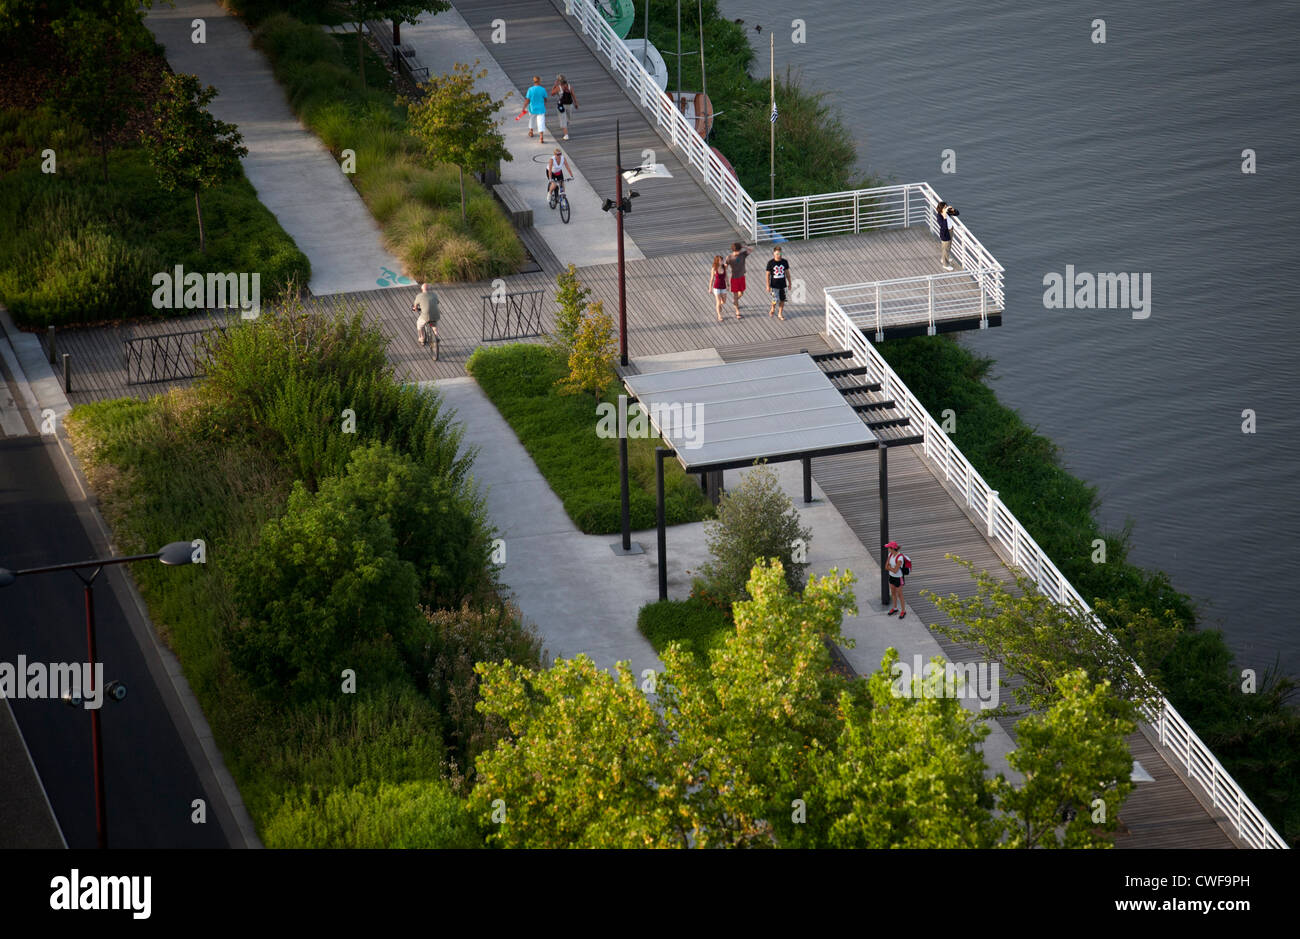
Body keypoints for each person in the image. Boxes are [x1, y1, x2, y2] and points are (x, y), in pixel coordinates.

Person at [726, 242, 753, 318]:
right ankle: (737, 311)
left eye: (739, 250)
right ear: (733, 250)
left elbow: (751, 249)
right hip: (734, 278)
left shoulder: (742, 254)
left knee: (741, 293)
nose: (738, 252)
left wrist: (743, 246)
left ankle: (735, 302)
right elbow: (725, 266)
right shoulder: (729, 258)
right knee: (735, 295)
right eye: (737, 251)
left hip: (741, 277)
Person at [550, 74, 579, 141]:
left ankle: (565, 133)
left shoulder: (558, 87)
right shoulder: (569, 86)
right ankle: (565, 132)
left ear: (558, 81)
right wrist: (576, 103)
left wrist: (554, 85)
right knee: (567, 119)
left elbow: (552, 93)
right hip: (569, 104)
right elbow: (573, 95)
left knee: (563, 119)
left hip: (561, 105)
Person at [765, 246, 789, 320]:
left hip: (783, 284)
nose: (779, 255)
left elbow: (787, 273)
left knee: (782, 299)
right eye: (777, 254)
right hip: (774, 285)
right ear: (774, 254)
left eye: (780, 253)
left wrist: (790, 283)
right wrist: (768, 285)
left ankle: (780, 313)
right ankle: (773, 308)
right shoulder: (770, 263)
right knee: (775, 299)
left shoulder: (784, 262)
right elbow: (767, 275)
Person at [884, 540, 907, 618]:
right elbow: (886, 567)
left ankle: (903, 611)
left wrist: (890, 567)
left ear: (892, 548)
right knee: (893, 593)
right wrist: (891, 568)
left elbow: (895, 570)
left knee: (900, 595)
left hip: (898, 578)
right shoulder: (890, 555)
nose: (888, 549)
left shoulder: (900, 558)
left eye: (888, 548)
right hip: (892, 577)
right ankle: (895, 608)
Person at [936, 201, 960, 271]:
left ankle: (944, 258)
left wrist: (953, 210)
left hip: (950, 231)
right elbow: (943, 226)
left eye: (946, 207)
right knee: (945, 248)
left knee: (948, 247)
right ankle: (945, 264)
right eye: (945, 207)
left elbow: (957, 213)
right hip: (945, 233)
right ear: (941, 208)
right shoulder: (939, 216)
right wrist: (945, 217)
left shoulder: (947, 212)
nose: (946, 208)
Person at [525, 76, 548, 143]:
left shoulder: (530, 89)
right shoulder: (543, 89)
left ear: (533, 81)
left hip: (532, 108)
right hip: (541, 108)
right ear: (539, 81)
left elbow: (528, 99)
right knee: (541, 122)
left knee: (532, 120)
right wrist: (544, 102)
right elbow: (545, 99)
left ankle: (531, 132)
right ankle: (541, 137)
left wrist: (524, 107)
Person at [709, 255, 728, 321]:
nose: (722, 261)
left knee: (724, 301)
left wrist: (728, 284)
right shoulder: (714, 268)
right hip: (716, 287)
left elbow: (726, 276)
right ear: (717, 261)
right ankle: (719, 316)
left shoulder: (724, 267)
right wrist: (710, 288)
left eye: (722, 260)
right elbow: (711, 279)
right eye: (720, 260)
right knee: (718, 302)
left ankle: (719, 306)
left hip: (723, 286)